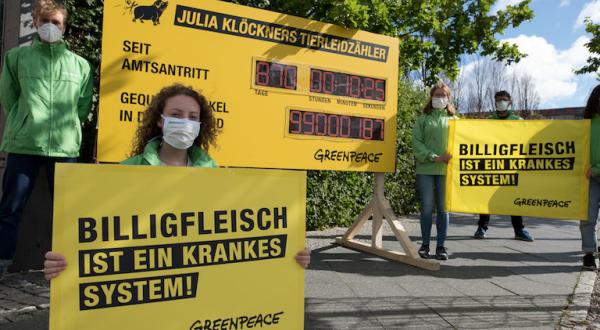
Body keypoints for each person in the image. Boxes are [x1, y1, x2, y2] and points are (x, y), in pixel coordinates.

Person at [43, 84, 311, 279]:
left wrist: (291, 256)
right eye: (177, 114)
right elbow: (94, 237)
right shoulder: (124, 173)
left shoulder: (216, 176)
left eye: (193, 118)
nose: (185, 122)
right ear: (160, 121)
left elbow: (243, 243)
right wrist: (64, 263)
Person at [0, 0, 93, 278]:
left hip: (65, 147)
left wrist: (69, 128)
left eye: (57, 23)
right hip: (24, 144)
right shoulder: (16, 58)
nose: (51, 27)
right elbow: (9, 97)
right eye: (46, 22)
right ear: (36, 23)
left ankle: (67, 269)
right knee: (10, 208)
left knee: (68, 213)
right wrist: (26, 120)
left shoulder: (81, 65)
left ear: (64, 28)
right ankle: (2, 263)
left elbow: (84, 105)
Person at [473, 91, 534, 242]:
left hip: (511, 165)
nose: (501, 102)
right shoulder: (488, 121)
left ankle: (519, 229)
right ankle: (482, 227)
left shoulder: (518, 121)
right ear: (494, 102)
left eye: (504, 100)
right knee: (486, 197)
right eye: (498, 100)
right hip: (491, 165)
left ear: (509, 102)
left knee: (514, 197)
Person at [412, 81, 456, 260]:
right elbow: (417, 143)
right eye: (437, 95)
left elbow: (463, 144)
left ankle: (441, 246)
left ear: (448, 98)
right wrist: (434, 157)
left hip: (447, 170)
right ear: (431, 97)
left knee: (444, 209)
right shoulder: (422, 119)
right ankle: (424, 245)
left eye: (443, 95)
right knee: (427, 208)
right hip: (426, 168)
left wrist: (448, 157)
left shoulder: (455, 121)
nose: (440, 98)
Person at [580, 84, 600, 270]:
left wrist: (597, 169)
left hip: (594, 173)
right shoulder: (585, 123)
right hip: (589, 178)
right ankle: (588, 253)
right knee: (588, 217)